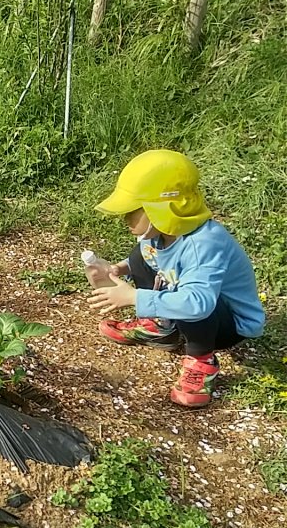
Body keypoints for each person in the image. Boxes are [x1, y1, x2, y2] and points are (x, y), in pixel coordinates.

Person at [87, 149, 265, 408]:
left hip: (226, 322)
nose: (125, 218)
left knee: (191, 302)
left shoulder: (204, 243)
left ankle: (202, 361)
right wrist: (118, 269)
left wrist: (134, 296)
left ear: (164, 208)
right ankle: (161, 327)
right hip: (192, 301)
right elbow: (151, 261)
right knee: (140, 254)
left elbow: (199, 303)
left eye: (133, 210)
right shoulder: (162, 233)